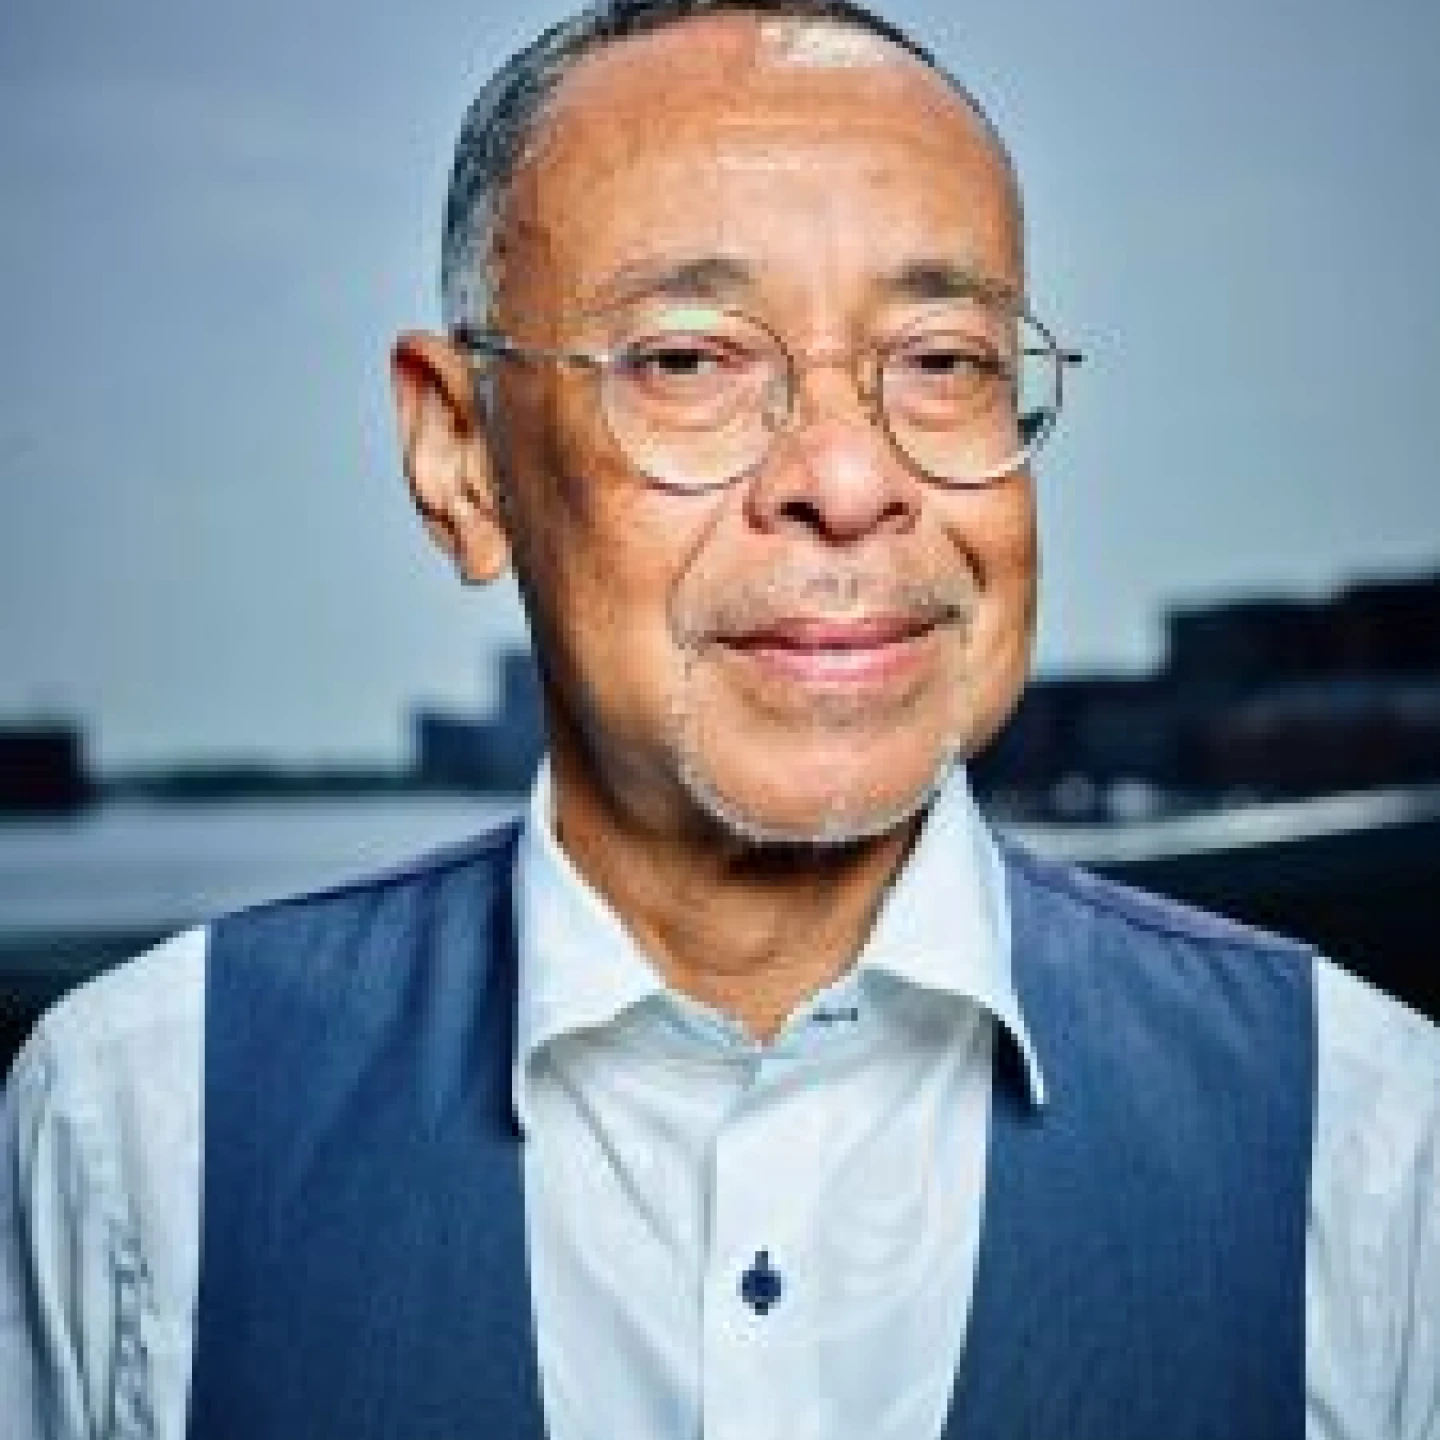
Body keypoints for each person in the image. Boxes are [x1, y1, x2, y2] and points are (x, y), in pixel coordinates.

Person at [3, 0, 1437, 1435]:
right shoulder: (140, 1126)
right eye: (688, 360)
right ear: (462, 456)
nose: (848, 481)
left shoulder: (1362, 1135)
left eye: (943, 358)